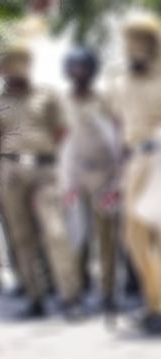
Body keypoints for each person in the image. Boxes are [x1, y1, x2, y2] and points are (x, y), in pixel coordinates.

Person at [0, 42, 80, 317]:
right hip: (11, 170)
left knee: (55, 231)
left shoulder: (47, 96)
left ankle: (69, 296)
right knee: (21, 236)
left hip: (45, 169)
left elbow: (62, 131)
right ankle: (35, 296)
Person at [109, 13, 161, 333]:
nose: (136, 48)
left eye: (142, 42)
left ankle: (157, 309)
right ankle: (154, 302)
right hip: (133, 163)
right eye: (131, 42)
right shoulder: (118, 82)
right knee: (134, 238)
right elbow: (117, 126)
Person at [61, 46, 119, 315]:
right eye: (74, 68)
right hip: (75, 174)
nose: (78, 73)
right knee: (76, 237)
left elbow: (117, 138)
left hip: (103, 175)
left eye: (83, 68)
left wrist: (116, 181)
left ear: (91, 71)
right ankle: (77, 291)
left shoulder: (104, 101)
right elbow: (61, 143)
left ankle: (107, 293)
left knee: (105, 237)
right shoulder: (64, 102)